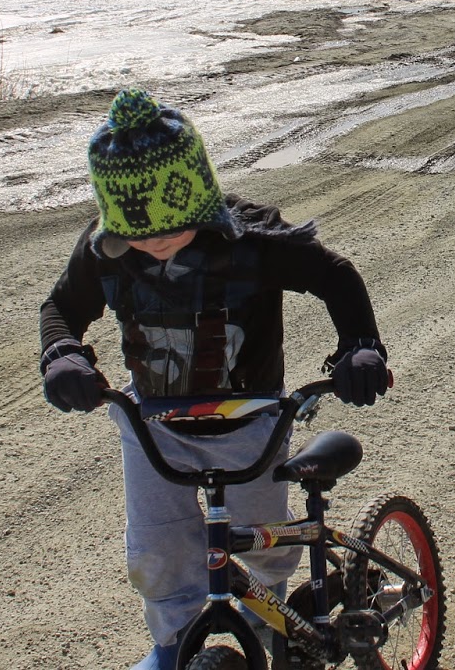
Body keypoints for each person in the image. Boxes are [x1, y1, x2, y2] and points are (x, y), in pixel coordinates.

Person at [39, 88, 389, 670]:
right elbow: (61, 308)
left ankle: (268, 619)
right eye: (135, 234)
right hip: (155, 426)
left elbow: (336, 277)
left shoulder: (249, 241)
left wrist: (359, 347)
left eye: (172, 228)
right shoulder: (104, 252)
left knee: (263, 541)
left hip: (251, 420)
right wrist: (63, 355)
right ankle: (174, 646)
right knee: (160, 551)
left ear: (199, 199)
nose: (152, 243)